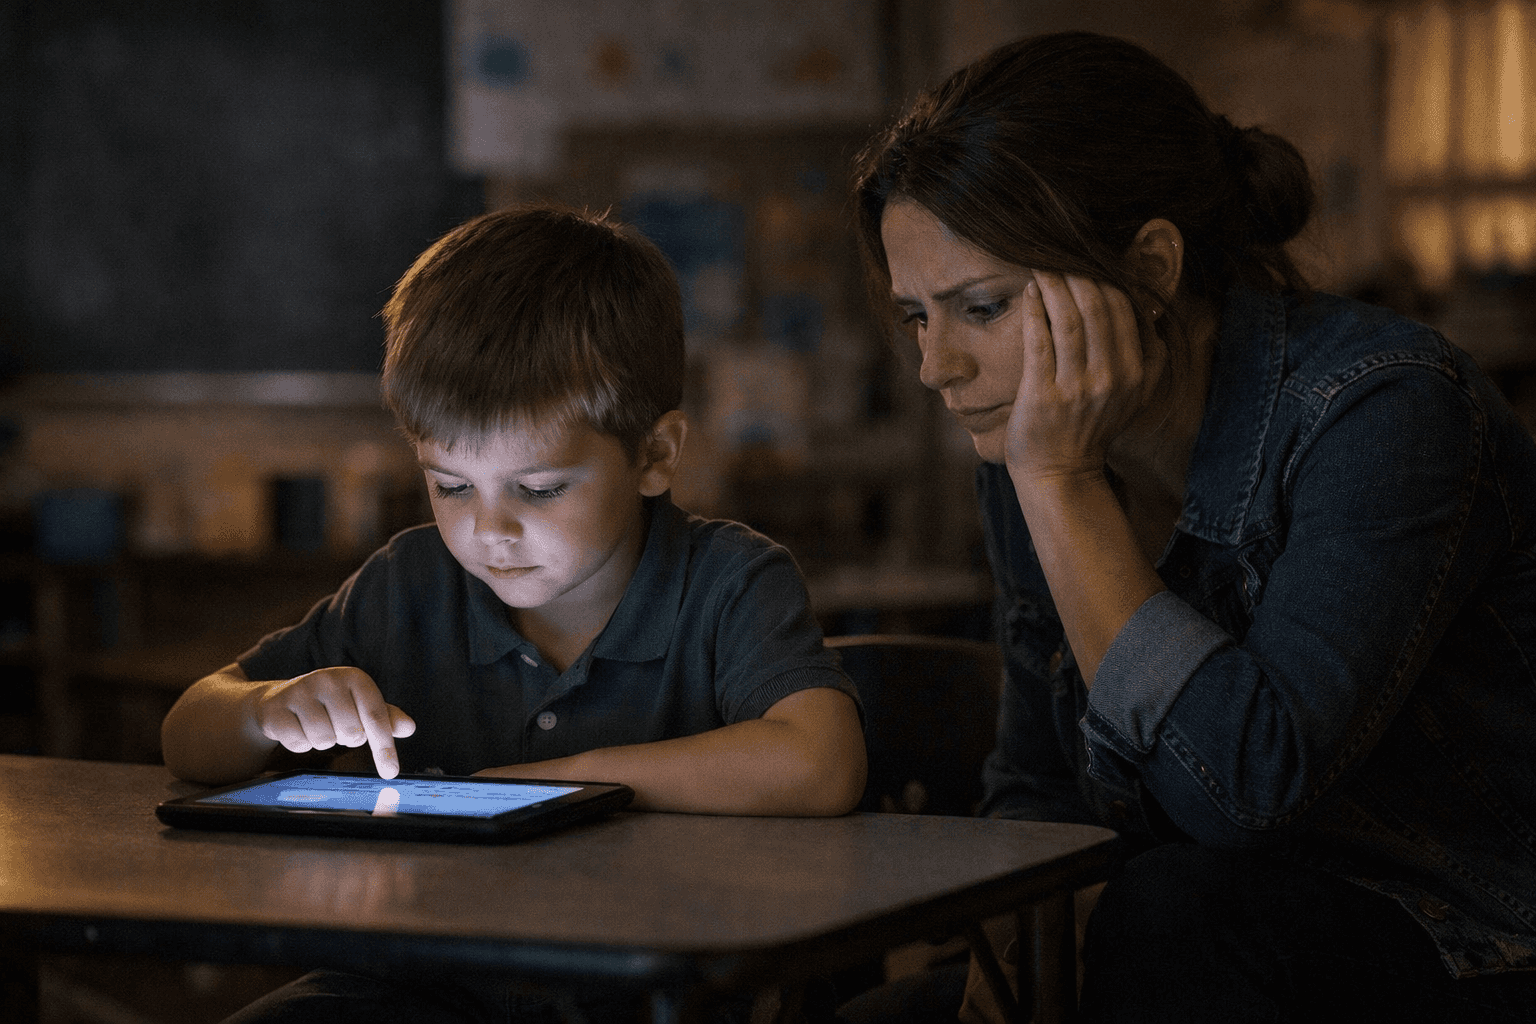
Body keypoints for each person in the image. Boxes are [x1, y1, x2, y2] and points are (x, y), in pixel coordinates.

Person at [846, 30, 1536, 1024]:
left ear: (1152, 268)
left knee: (1178, 910)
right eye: (918, 316)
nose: (935, 368)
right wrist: (1016, 956)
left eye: (981, 307)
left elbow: (1243, 797)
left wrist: (1062, 484)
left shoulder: (1386, 407)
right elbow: (1037, 781)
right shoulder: (1031, 450)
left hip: (1463, 938)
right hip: (1191, 942)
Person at [160, 204, 867, 1024]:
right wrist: (264, 712)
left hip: (644, 994)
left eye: (538, 489)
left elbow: (821, 762)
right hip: (422, 985)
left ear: (655, 455)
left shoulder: (727, 582)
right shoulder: (409, 583)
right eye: (450, 485)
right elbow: (188, 731)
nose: (489, 530)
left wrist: (545, 789)